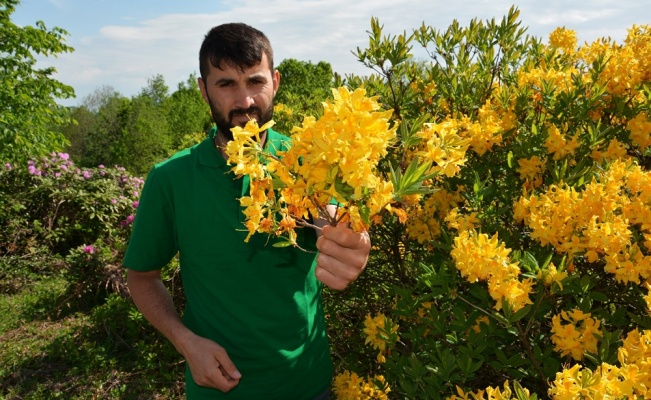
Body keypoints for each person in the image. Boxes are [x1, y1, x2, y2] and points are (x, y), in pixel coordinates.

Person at [124, 22, 371, 400]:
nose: (245, 101)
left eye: (255, 81)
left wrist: (349, 239)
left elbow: (330, 215)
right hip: (219, 391)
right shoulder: (170, 179)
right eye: (226, 85)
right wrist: (186, 343)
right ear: (203, 91)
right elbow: (141, 276)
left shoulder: (307, 159)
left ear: (275, 81)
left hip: (310, 384)